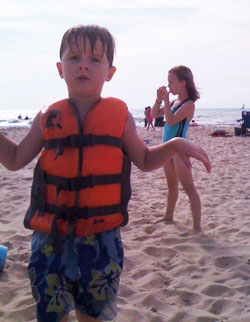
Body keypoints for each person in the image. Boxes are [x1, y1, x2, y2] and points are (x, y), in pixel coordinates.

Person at [0, 27, 211, 322]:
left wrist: (175, 143)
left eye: (95, 60)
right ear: (61, 69)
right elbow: (13, 159)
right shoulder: (46, 117)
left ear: (109, 72)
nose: (84, 64)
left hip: (102, 242)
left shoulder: (120, 117)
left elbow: (145, 159)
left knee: (94, 316)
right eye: (74, 57)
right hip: (51, 241)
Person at [151, 65, 203, 232]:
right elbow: (153, 114)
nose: (169, 86)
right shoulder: (174, 101)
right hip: (168, 149)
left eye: (171, 82)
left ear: (183, 83)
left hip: (180, 150)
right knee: (171, 185)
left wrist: (166, 101)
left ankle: (197, 227)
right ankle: (169, 215)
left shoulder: (189, 104)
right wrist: (159, 99)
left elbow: (171, 121)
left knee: (189, 188)